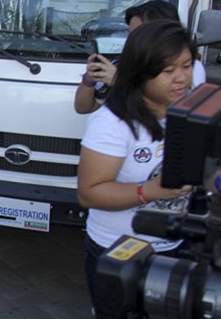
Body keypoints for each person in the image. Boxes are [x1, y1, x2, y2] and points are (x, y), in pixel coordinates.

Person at [77, 20, 194, 309]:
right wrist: (149, 191)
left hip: (176, 245)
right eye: (168, 71)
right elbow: (89, 194)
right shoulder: (112, 123)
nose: (181, 78)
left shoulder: (192, 108)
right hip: (119, 252)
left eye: (187, 65)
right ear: (140, 73)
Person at [74, 0, 206, 114]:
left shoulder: (191, 68)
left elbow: (174, 112)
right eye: (131, 34)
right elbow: (83, 107)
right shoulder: (121, 65)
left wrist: (119, 82)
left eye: (141, 33)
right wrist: (89, 80)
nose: (134, 40)